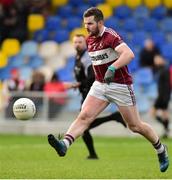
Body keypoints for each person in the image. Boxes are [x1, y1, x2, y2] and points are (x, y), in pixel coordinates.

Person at [47, 7, 169, 172]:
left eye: (90, 23)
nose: (87, 27)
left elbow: (128, 54)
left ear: (100, 22)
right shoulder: (89, 40)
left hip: (120, 85)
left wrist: (113, 67)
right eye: (85, 24)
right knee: (84, 116)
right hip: (100, 85)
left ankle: (161, 150)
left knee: (135, 126)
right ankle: (64, 144)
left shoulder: (110, 35)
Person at [73, 34, 126, 159]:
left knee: (83, 124)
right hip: (84, 92)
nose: (77, 44)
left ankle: (113, 117)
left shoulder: (87, 58)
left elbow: (93, 77)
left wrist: (80, 84)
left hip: (91, 92)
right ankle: (93, 154)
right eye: (75, 42)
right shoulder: (77, 57)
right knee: (83, 125)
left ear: (85, 43)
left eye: (80, 42)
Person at [151, 55, 171, 138]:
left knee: (153, 112)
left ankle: (165, 127)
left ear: (161, 60)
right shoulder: (160, 69)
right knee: (164, 114)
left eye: (157, 60)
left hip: (163, 96)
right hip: (163, 95)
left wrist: (164, 97)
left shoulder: (165, 70)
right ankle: (166, 129)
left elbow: (167, 85)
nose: (155, 61)